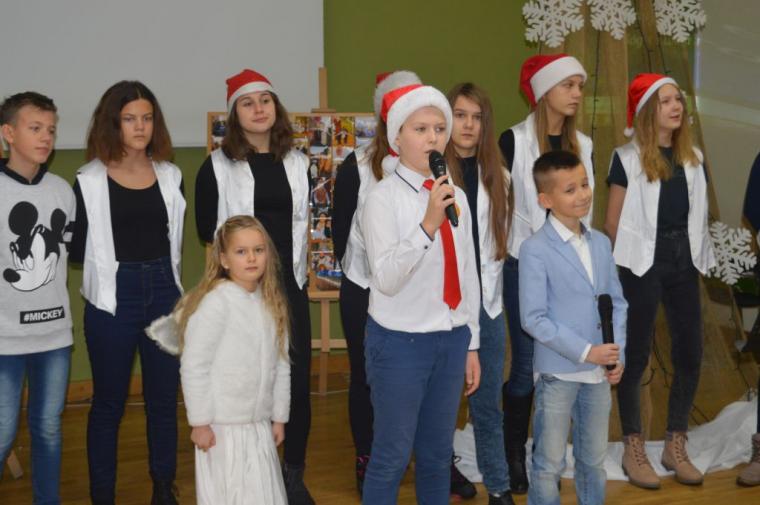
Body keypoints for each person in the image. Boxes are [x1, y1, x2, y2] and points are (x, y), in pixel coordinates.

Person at [194, 69, 314, 505]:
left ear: (276, 109)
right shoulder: (216, 166)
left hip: (290, 287)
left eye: (266, 100)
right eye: (248, 102)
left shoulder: (298, 162)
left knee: (295, 384)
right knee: (248, 380)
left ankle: (293, 474)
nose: (259, 109)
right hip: (241, 292)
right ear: (235, 113)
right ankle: (247, 475)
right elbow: (207, 230)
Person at [360, 83, 481, 505]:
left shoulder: (456, 195)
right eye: (421, 128)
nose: (433, 138)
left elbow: (467, 272)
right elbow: (387, 279)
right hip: (400, 344)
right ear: (397, 137)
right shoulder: (382, 199)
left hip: (450, 339)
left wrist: (471, 342)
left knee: (436, 458)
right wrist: (428, 225)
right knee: (391, 457)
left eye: (439, 128)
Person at [70, 81, 185, 505]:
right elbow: (77, 250)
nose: (140, 127)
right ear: (112, 123)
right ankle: (103, 495)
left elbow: (174, 242)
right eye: (130, 118)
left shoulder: (171, 176)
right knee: (108, 405)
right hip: (112, 300)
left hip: (164, 294)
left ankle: (163, 489)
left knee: (163, 401)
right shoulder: (88, 180)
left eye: (147, 118)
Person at [604, 73, 715, 489]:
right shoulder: (626, 158)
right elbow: (612, 222)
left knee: (690, 352)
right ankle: (633, 446)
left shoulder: (694, 158)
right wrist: (627, 265)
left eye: (678, 99)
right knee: (634, 356)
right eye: (666, 100)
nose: (676, 107)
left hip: (685, 260)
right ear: (649, 110)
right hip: (642, 263)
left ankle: (675, 442)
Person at [496, 54, 593, 494]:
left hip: (570, 267)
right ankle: (513, 451)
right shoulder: (514, 141)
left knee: (563, 365)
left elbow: (585, 205)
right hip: (524, 265)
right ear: (543, 90)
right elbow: (500, 206)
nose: (576, 94)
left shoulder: (583, 145)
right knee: (525, 366)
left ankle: (548, 454)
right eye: (567, 85)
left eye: (579, 86)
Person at [332, 70, 423, 496]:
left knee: (418, 377)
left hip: (416, 289)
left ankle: (426, 455)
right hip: (364, 287)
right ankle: (367, 455)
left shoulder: (432, 163)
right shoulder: (357, 164)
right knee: (365, 375)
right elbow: (340, 233)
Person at [519, 150, 627, 505]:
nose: (582, 194)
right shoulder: (535, 249)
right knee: (549, 463)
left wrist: (617, 354)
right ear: (545, 200)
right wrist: (586, 351)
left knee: (593, 461)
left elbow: (617, 303)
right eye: (570, 189)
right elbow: (533, 318)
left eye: (584, 184)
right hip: (558, 373)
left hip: (598, 375)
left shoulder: (600, 243)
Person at [176, 215, 291, 505]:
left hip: (258, 426)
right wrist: (200, 422)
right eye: (241, 251)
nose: (251, 258)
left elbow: (281, 365)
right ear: (224, 260)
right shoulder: (216, 303)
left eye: (258, 250)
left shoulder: (271, 303)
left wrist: (279, 416)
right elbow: (194, 366)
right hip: (222, 429)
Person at [0, 92, 75, 505]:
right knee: (3, 432)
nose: (46, 137)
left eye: (51, 130)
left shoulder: (62, 191)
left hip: (54, 336)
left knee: (48, 428)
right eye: (35, 128)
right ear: (8, 133)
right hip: (4, 340)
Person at [444, 82, 513, 505]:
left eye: (477, 117)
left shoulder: (499, 177)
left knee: (488, 404)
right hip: (443, 306)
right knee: (441, 404)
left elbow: (501, 244)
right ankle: (443, 474)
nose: (468, 125)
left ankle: (499, 487)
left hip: (487, 305)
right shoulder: (430, 175)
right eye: (460, 115)